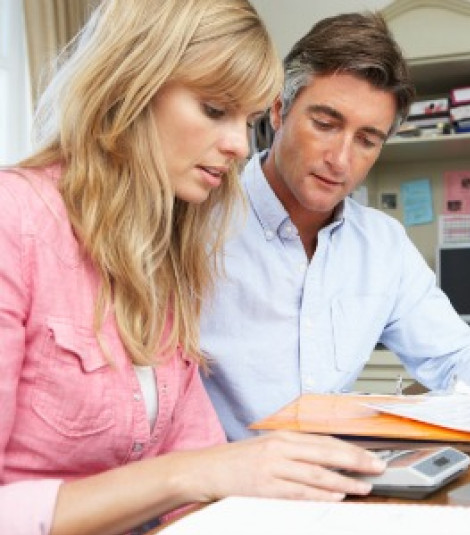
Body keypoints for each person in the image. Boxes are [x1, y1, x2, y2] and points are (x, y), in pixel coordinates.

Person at [0, 2, 387, 534]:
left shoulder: (165, 257)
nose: (236, 145)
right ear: (131, 84)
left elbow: (199, 470)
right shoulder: (13, 221)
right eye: (213, 109)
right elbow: (198, 468)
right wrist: (186, 475)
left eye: (246, 121)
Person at [200, 11, 470, 442]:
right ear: (279, 111)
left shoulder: (382, 243)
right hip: (217, 491)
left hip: (332, 480)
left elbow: (453, 354)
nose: (340, 159)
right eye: (325, 124)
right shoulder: (196, 220)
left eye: (367, 140)